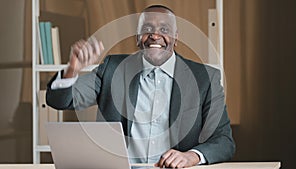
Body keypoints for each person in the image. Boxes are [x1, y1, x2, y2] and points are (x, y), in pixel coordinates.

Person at [46, 5, 235, 168]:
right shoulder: (112, 69)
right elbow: (61, 100)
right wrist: (72, 69)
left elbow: (224, 141)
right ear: (138, 37)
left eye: (164, 29)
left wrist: (191, 157)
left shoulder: (205, 78)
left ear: (176, 38)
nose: (155, 35)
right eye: (147, 28)